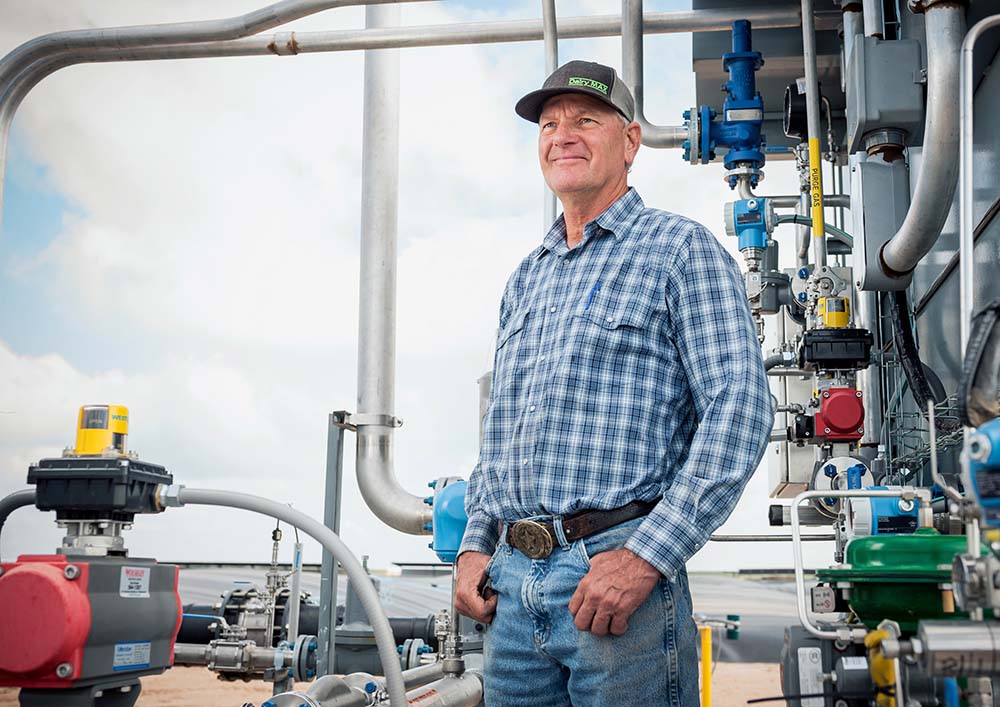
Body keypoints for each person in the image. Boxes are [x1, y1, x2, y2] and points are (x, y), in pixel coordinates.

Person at [453, 60, 772, 707]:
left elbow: (739, 409)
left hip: (613, 580)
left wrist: (645, 556)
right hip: (512, 592)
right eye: (549, 123)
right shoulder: (526, 278)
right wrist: (473, 545)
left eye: (585, 119)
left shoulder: (680, 250)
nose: (562, 134)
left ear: (629, 141)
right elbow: (501, 433)